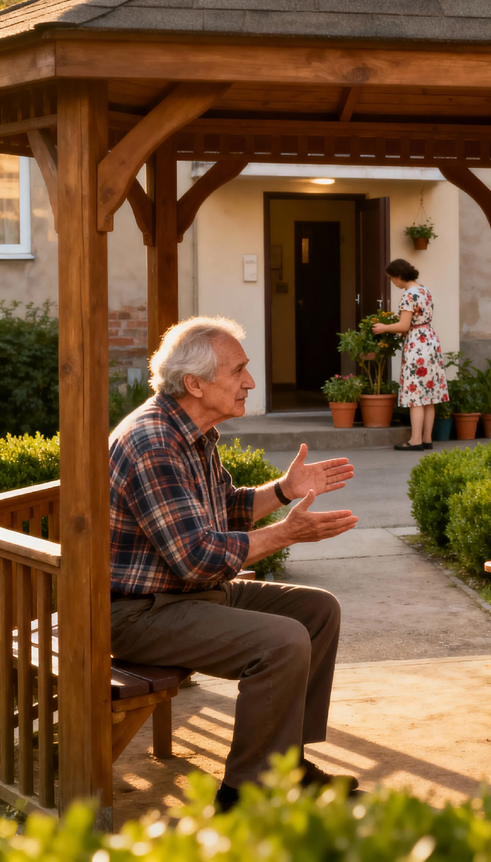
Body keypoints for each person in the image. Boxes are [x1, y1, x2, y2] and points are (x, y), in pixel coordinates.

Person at [109, 316, 360, 812]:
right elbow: (197, 559)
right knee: (282, 640)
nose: (250, 382)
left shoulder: (192, 433)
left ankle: (284, 764)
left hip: (183, 596)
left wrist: (285, 491)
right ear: (195, 384)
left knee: (317, 612)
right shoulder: (153, 442)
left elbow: (226, 506)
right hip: (136, 612)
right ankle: (245, 792)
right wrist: (286, 532)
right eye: (238, 370)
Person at [372, 259, 449, 451]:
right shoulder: (424, 290)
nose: (393, 283)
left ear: (399, 276)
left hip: (417, 345)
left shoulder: (408, 295)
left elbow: (404, 325)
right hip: (431, 342)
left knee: (416, 395)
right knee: (429, 395)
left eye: (392, 279)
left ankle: (415, 440)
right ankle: (427, 438)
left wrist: (384, 327)